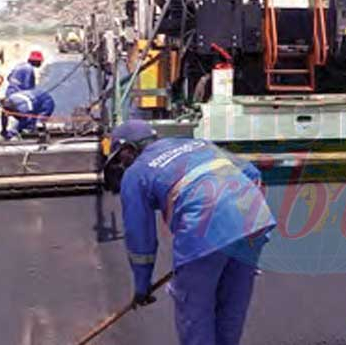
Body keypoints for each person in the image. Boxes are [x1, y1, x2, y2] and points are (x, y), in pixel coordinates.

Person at [108, 120, 276, 345]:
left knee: (195, 310)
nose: (122, 164)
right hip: (253, 219)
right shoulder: (196, 144)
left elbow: (140, 237)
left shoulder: (136, 173)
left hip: (205, 230)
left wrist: (142, 285)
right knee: (232, 304)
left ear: (129, 149)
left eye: (120, 158)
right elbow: (251, 172)